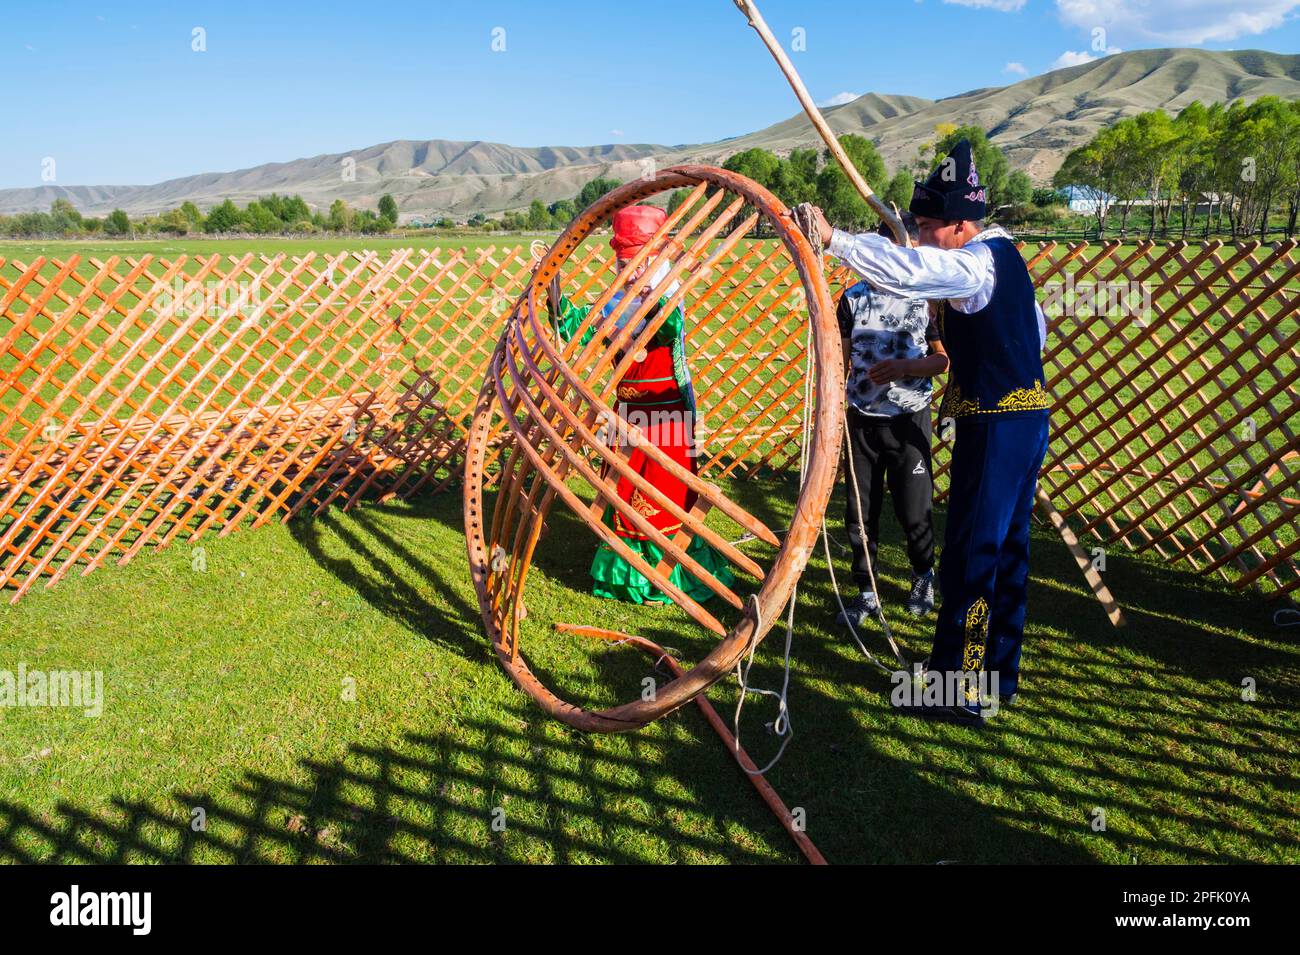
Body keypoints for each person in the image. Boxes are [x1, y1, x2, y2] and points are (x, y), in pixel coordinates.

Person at [805, 141, 1049, 722]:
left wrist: (836, 240)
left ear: (962, 224)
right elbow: (1035, 332)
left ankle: (959, 688)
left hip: (993, 425)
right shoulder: (1006, 256)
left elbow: (912, 271)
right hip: (1026, 420)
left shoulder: (972, 264)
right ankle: (998, 678)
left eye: (930, 225)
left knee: (973, 553)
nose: (920, 235)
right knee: (1009, 550)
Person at [546, 204, 733, 605]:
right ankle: (629, 572)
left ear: (655, 261)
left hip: (666, 413)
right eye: (622, 262)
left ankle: (667, 569)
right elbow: (572, 325)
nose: (628, 270)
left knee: (665, 487)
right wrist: (553, 289)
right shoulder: (612, 303)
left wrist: (646, 297)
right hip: (626, 413)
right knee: (626, 487)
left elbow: (665, 328)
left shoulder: (669, 301)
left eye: (637, 262)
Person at [834, 212, 948, 629]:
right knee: (859, 512)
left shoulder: (924, 297)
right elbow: (839, 359)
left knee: (914, 508)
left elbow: (942, 360)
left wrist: (904, 367)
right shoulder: (852, 299)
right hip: (862, 418)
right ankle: (866, 592)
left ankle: (923, 577)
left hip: (909, 418)